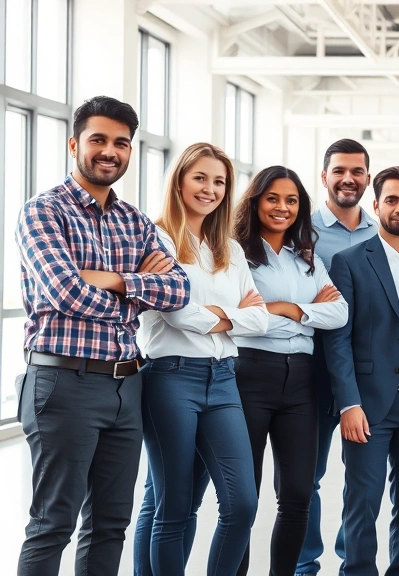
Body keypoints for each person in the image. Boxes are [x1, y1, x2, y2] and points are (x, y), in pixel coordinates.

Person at [15, 95, 189, 576]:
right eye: (98, 140)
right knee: (54, 521)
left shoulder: (134, 221)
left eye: (121, 143)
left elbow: (179, 290)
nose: (109, 151)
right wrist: (139, 290)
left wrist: (113, 280)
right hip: (63, 383)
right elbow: (66, 293)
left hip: (127, 385)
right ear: (75, 144)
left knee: (112, 522)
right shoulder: (43, 213)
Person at [135, 142, 267, 576]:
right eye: (200, 178)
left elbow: (261, 319)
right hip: (170, 379)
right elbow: (173, 310)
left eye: (219, 182)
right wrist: (234, 316)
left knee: (242, 503)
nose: (210, 189)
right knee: (173, 504)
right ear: (179, 181)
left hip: (224, 379)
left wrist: (217, 317)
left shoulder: (229, 249)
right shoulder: (154, 239)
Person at [324, 166, 399, 576]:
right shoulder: (349, 262)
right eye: (391, 200)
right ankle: (357, 571)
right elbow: (337, 340)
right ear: (375, 205)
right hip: (369, 403)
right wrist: (348, 404)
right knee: (363, 499)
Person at [233, 166, 350, 575]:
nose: (282, 207)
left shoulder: (307, 258)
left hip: (301, 380)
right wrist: (305, 314)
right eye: (273, 198)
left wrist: (285, 309)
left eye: (292, 200)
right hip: (249, 375)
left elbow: (339, 313)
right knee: (242, 497)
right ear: (255, 201)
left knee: (298, 493)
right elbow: (244, 320)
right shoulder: (236, 255)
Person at [299, 138, 378, 576]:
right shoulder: (300, 229)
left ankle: (354, 562)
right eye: (339, 171)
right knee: (304, 480)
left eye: (357, 171)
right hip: (308, 371)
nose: (348, 179)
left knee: (361, 481)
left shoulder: (381, 231)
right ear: (324, 176)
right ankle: (304, 565)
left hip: (359, 374)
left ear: (367, 177)